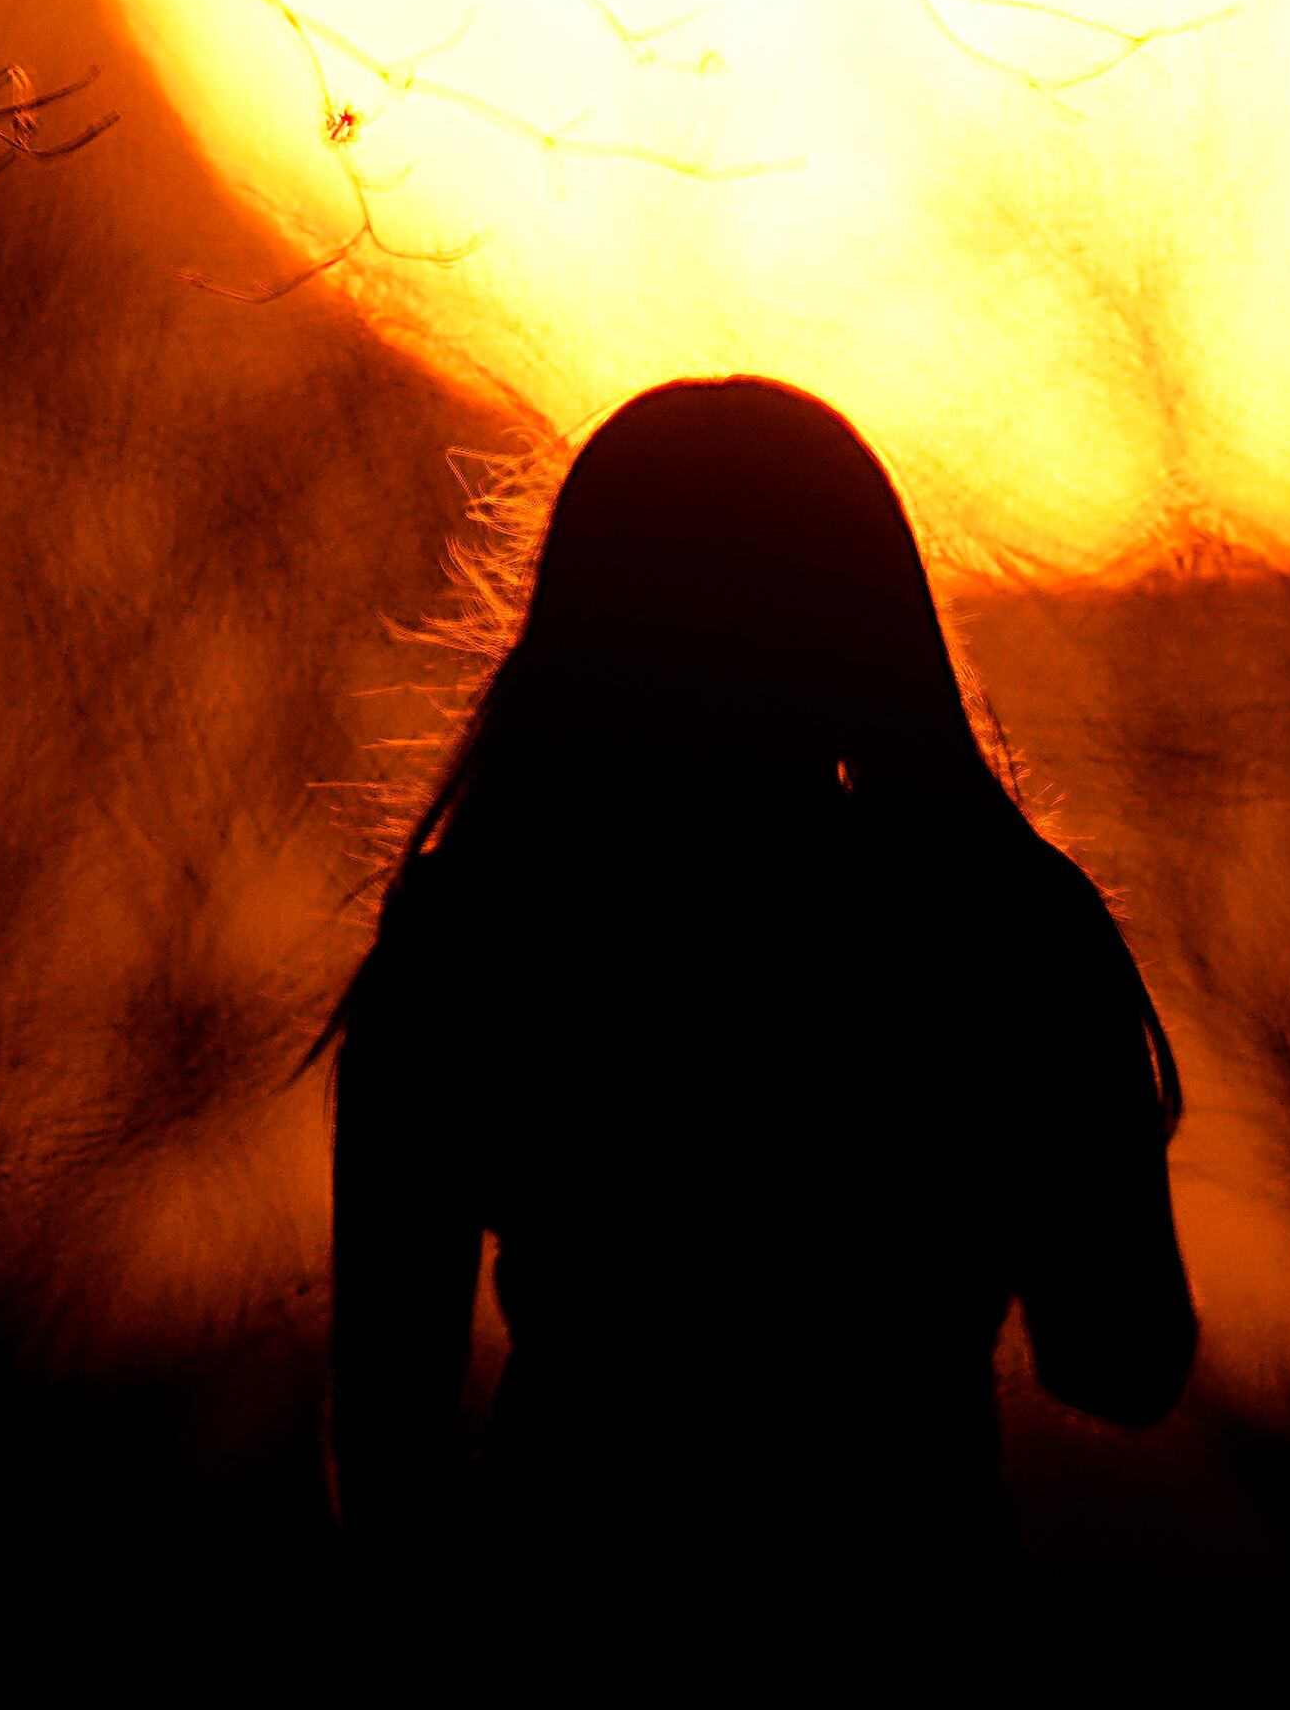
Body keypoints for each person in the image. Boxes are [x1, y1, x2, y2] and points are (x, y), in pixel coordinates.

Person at [326, 376, 1194, 1611]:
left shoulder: (479, 922)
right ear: (866, 610)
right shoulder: (995, 914)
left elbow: (388, 1422)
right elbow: (1120, 1360)